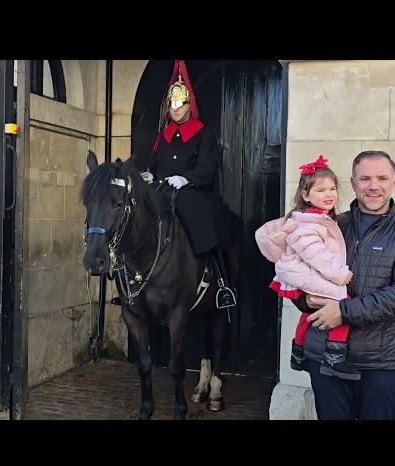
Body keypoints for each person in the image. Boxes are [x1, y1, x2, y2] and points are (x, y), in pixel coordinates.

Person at [290, 151, 395, 420]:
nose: (373, 186)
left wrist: (344, 312)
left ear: (394, 182)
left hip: (378, 362)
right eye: (365, 178)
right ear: (353, 183)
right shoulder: (330, 225)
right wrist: (303, 300)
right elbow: (296, 273)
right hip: (325, 359)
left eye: (381, 178)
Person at [140, 60, 241, 308]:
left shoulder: (203, 134)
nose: (175, 109)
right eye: (172, 104)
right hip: (163, 190)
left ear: (188, 105)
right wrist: (149, 176)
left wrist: (187, 179)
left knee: (196, 212)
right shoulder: (162, 136)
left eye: (180, 104)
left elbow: (208, 167)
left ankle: (220, 279)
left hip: (193, 191)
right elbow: (154, 165)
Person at [255, 155, 358, 381]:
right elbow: (316, 255)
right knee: (344, 305)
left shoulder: (319, 218)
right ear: (305, 195)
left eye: (332, 188)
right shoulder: (309, 223)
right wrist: (340, 275)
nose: (329, 194)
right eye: (321, 190)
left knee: (309, 313)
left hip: (304, 275)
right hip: (307, 274)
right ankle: (335, 354)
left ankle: (298, 350)